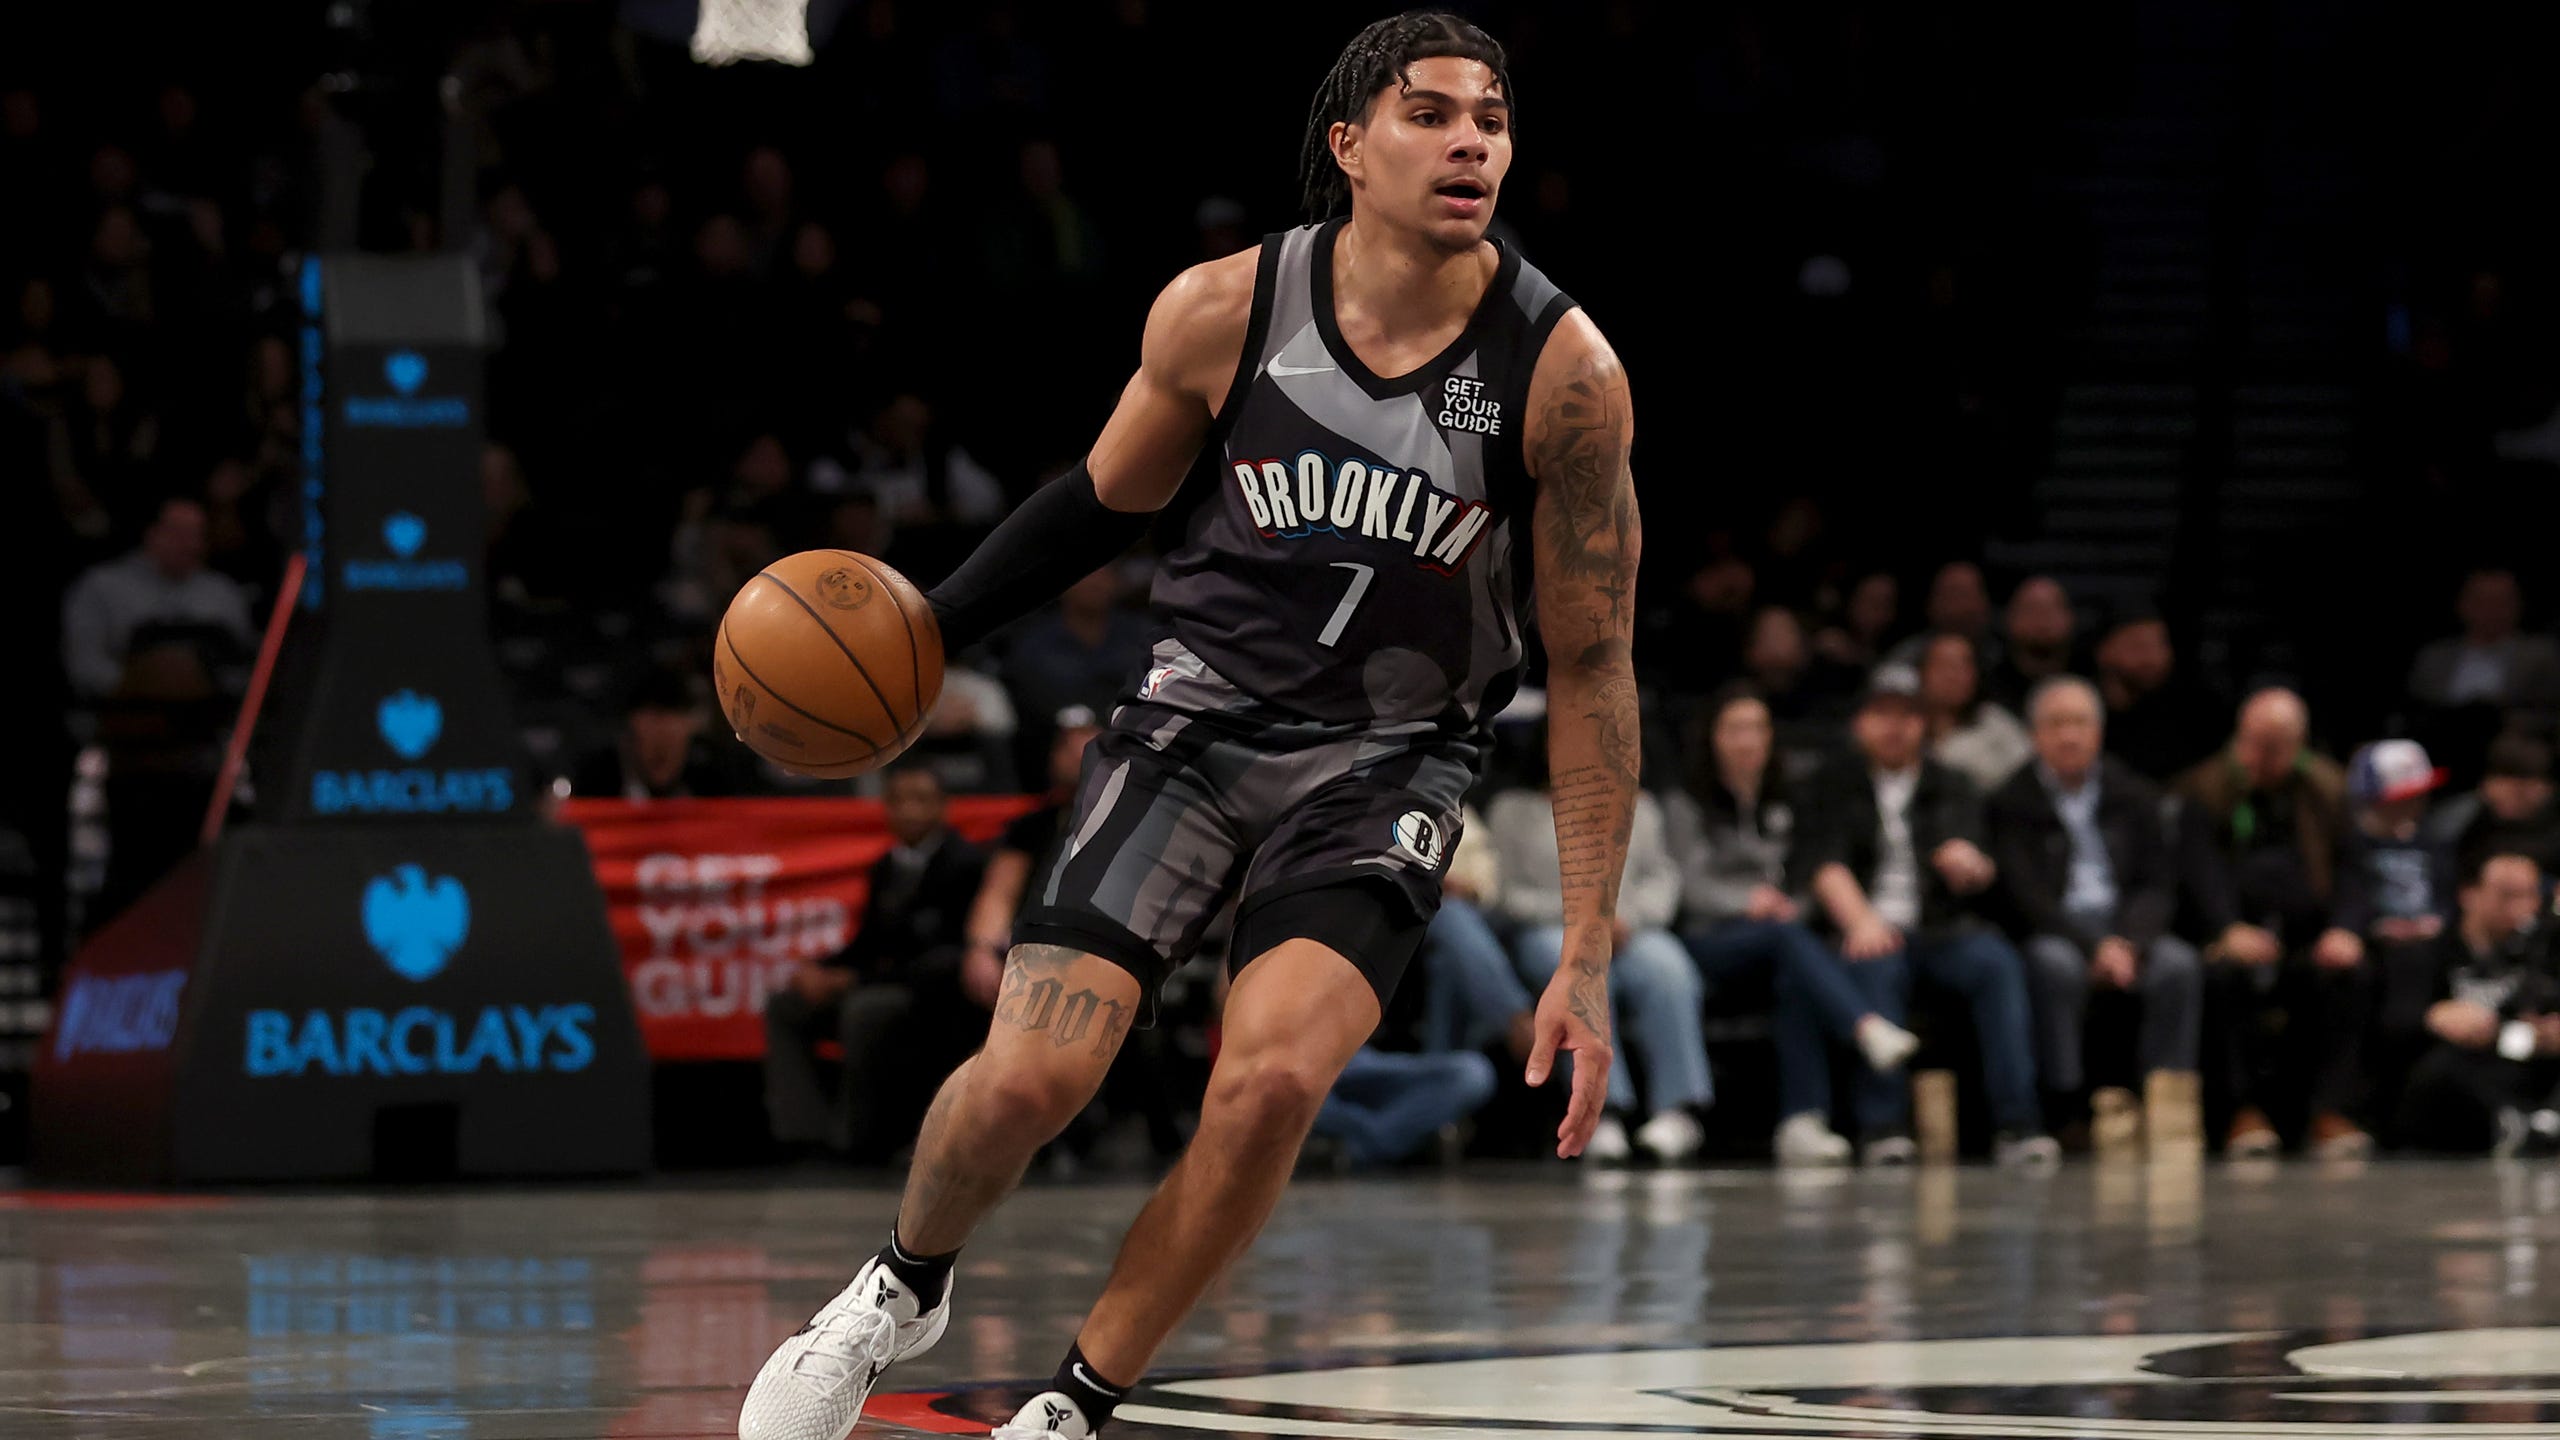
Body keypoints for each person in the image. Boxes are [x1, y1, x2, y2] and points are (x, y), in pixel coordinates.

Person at [741, 17, 1643, 1439]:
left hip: (1389, 759)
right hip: (1196, 722)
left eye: (1493, 117)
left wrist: (1587, 940)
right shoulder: (1228, 307)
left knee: (1275, 1080)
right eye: (1430, 114)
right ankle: (896, 1290)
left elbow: (1594, 666)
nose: (1472, 140)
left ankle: (1078, 1402)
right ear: (1349, 146)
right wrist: (933, 625)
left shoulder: (1563, 372)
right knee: (1032, 1073)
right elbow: (1103, 504)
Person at [1792, 664, 2055, 1166]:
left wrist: (1972, 866)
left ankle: (2017, 1124)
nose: (1895, 726)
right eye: (1883, 713)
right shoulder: (1831, 783)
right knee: (1875, 963)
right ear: (1860, 723)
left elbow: (1977, 858)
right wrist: (1861, 921)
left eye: (1908, 715)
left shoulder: (1953, 783)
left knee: (1996, 963)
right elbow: (1822, 864)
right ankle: (1883, 1127)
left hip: (1939, 927)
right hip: (1866, 922)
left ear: (1925, 724)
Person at [1662, 683, 1918, 1165]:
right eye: (1735, 729)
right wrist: (1746, 903)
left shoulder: (1788, 796)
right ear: (1712, 737)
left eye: (1757, 728)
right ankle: (1864, 1027)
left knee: (1796, 969)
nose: (1748, 740)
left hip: (1780, 938)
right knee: (1790, 942)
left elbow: (1804, 875)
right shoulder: (1686, 802)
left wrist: (1788, 908)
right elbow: (1687, 884)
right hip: (1708, 938)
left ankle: (1803, 1122)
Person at [1987, 677, 2201, 1149]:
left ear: (2099, 731)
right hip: (2059, 930)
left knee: (2177, 965)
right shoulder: (2013, 801)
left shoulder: (2134, 793)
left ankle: (2164, 1100)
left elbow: (2157, 885)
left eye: (2080, 723)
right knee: (2054, 967)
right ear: (2034, 735)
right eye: (2056, 724)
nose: (2069, 736)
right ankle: (2067, 1106)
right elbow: (2025, 895)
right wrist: (2093, 946)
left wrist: (2128, 942)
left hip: (2126, 927)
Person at [1489, 733, 1707, 1165]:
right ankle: (1602, 1111)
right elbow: (1504, 894)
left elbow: (1662, 880)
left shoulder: (1639, 807)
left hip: (1629, 930)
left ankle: (1677, 1110)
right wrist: (1584, 924)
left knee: (1669, 965)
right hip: (1552, 930)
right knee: (1575, 968)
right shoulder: (1511, 811)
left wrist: (1629, 919)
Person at [2173, 687, 2368, 1158]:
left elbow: (2354, 869)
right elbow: (2199, 871)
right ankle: (2241, 1112)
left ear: (2297, 744)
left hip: (2306, 936)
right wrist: (2226, 928)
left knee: (2348, 974)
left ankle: (2328, 1111)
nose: (2259, 756)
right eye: (2253, 741)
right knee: (2222, 978)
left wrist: (2345, 928)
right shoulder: (2206, 788)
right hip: (2231, 932)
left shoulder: (2326, 787)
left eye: (2274, 745)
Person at [762, 766, 987, 1162]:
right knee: (786, 1004)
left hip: (928, 993)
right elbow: (867, 942)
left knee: (865, 1011)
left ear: (942, 806)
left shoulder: (967, 864)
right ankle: (802, 1132)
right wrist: (819, 968)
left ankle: (857, 1139)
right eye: (897, 800)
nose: (908, 810)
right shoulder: (886, 867)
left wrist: (853, 980)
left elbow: (947, 954)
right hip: (875, 980)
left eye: (919, 799)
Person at [2388, 851, 2560, 1155]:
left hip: (2524, 1064)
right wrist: (2432, 1015)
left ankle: (2541, 1124)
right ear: (2469, 895)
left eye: (2531, 894)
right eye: (2507, 895)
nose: (2524, 908)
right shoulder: (2433, 953)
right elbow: (2395, 1020)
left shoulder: (2544, 949)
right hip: (2459, 1078)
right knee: (2441, 1067)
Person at [60, 495, 253, 701]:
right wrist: (148, 689)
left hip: (210, 714)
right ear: (151, 533)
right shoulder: (100, 586)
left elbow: (242, 667)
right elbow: (84, 663)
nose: (191, 545)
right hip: (124, 712)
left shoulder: (223, 591)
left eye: (198, 534)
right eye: (179, 533)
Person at [569, 666, 753, 800]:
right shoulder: (594, 781)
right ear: (629, 737)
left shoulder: (713, 779)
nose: (660, 753)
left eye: (671, 745)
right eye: (652, 744)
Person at [2096, 607, 2226, 784]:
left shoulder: (2195, 711)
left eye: (2161, 644)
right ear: (2104, 651)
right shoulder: (2082, 708)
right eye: (2138, 646)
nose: (2152, 657)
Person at [2425, 729, 2560, 874]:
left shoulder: (2554, 830)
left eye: (2524, 783)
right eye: (2503, 779)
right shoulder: (2465, 823)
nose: (2512, 792)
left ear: (2549, 788)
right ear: (2485, 784)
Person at [1918, 629, 2033, 793]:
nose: (1952, 676)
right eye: (1943, 665)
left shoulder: (1997, 723)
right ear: (1922, 673)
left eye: (1962, 666)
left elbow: (2030, 777)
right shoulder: (1907, 726)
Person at [1984, 575, 2079, 715]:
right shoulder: (1985, 691)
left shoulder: (2090, 683)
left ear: (2070, 618)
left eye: (2051, 609)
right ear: (2009, 619)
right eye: (2030, 609)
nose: (2042, 618)